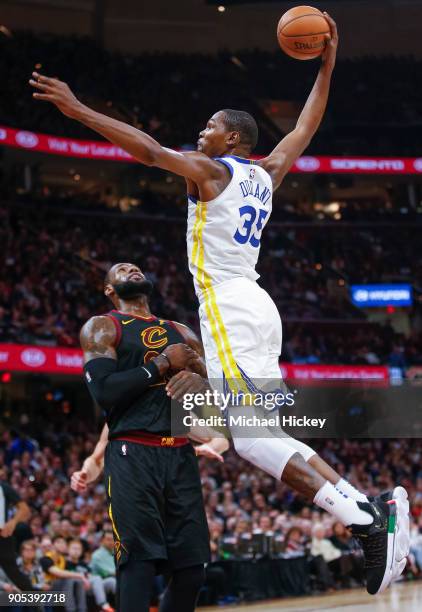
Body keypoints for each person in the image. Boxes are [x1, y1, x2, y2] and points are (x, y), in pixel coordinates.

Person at [29, 14, 409, 595]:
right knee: (265, 433)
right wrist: (328, 64)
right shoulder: (267, 173)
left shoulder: (212, 171)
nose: (200, 132)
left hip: (229, 308)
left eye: (208, 127)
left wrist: (79, 111)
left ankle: (366, 518)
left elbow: (150, 151)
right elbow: (305, 128)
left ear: (231, 139)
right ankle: (364, 511)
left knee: (254, 438)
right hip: (259, 305)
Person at [73, 262, 227, 612]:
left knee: (192, 570)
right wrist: (159, 364)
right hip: (132, 452)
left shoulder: (182, 332)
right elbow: (105, 392)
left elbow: (217, 399)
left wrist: (202, 378)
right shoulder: (103, 326)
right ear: (109, 290)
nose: (132, 269)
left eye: (136, 267)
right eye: (122, 270)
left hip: (179, 453)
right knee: (137, 564)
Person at [0, 480, 35, 592]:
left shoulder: (3, 487)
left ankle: (38, 606)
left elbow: (24, 510)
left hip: (2, 536)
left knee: (15, 575)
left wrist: (13, 522)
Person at [39, 535, 89, 612]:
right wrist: (80, 575)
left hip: (59, 587)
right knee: (69, 580)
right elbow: (59, 573)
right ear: (53, 545)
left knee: (78, 581)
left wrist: (82, 578)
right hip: (47, 587)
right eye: (59, 542)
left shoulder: (62, 559)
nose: (62, 545)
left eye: (63, 543)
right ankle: (71, 610)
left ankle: (82, 610)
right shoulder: (45, 559)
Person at [67, 538, 115, 612]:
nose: (76, 551)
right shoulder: (65, 563)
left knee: (111, 581)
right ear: (68, 549)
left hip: (90, 585)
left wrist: (89, 578)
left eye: (79, 549)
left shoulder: (83, 564)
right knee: (96, 578)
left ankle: (123, 603)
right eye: (74, 548)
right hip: (79, 586)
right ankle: (104, 605)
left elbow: (90, 574)